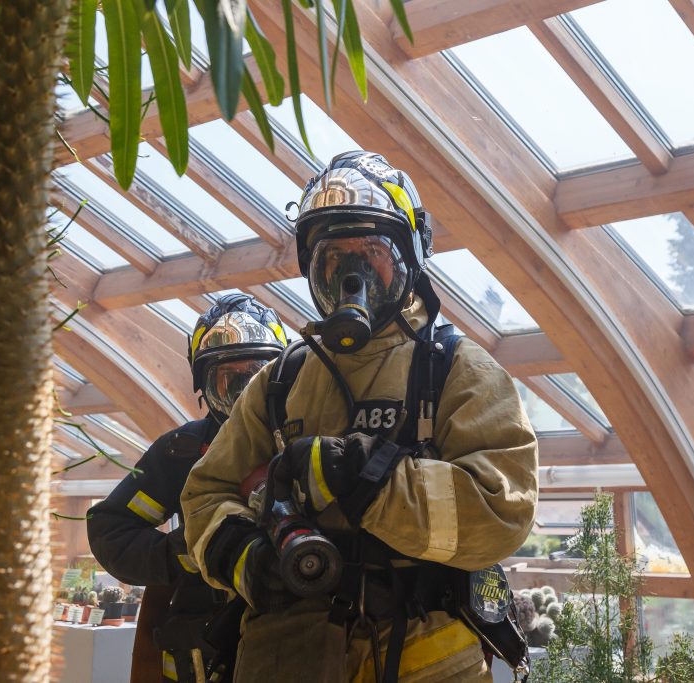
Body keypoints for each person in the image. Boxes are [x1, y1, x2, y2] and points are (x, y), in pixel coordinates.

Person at [181, 151, 539, 683]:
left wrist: (367, 480)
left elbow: (500, 511)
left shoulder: (455, 370)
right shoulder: (279, 383)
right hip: (288, 656)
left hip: (424, 660)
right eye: (333, 259)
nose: (353, 276)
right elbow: (205, 493)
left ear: (410, 260)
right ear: (310, 268)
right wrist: (244, 556)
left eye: (372, 254)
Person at [86, 293, 288, 683]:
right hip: (202, 657)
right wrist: (186, 551)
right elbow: (110, 527)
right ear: (204, 386)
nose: (243, 397)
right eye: (229, 380)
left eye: (257, 375)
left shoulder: (306, 444)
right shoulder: (180, 453)